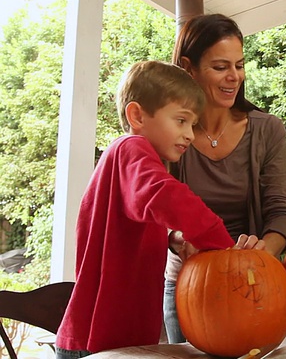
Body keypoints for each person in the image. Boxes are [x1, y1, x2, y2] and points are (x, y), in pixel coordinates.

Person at [55, 60, 263, 358]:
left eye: (192, 124)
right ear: (137, 115)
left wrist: (173, 239)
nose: (190, 134)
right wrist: (222, 244)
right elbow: (165, 196)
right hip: (100, 342)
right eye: (181, 121)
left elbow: (126, 226)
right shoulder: (132, 148)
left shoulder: (127, 158)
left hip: (109, 337)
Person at [163, 14, 286, 343]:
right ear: (188, 67)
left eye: (239, 65)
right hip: (188, 282)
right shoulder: (169, 133)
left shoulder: (268, 130)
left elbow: (280, 211)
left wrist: (261, 254)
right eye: (220, 67)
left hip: (255, 281)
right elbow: (154, 209)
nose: (233, 77)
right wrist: (177, 237)